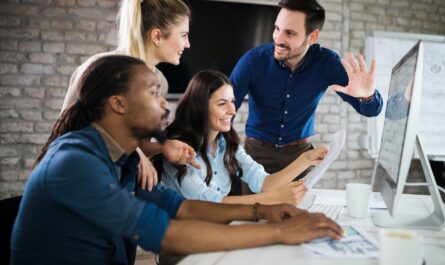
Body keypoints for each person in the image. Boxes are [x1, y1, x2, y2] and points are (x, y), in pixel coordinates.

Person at [10, 55, 343, 265]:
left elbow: (183, 208)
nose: (165, 104)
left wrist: (261, 211)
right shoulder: (76, 162)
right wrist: (281, 232)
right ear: (118, 104)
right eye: (154, 93)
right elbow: (166, 234)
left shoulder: (123, 161)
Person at [230, 0, 384, 178]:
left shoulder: (327, 63)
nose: (278, 39)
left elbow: (372, 110)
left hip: (300, 157)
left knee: (298, 206)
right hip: (256, 155)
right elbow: (226, 108)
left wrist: (367, 96)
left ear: (312, 37)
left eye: (289, 33)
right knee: (251, 206)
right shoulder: (252, 61)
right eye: (277, 29)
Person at [62, 0, 198, 191]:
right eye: (183, 35)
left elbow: (138, 143)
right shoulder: (99, 68)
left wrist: (162, 147)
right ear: (157, 36)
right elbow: (68, 132)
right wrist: (135, 154)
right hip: (81, 181)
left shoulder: (161, 82)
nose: (188, 44)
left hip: (119, 186)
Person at [159, 70, 328, 205]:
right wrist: (276, 198)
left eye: (232, 101)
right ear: (200, 106)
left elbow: (264, 182)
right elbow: (209, 203)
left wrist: (306, 159)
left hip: (218, 229)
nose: (232, 111)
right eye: (222, 103)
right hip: (185, 236)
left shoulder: (226, 144)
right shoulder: (178, 148)